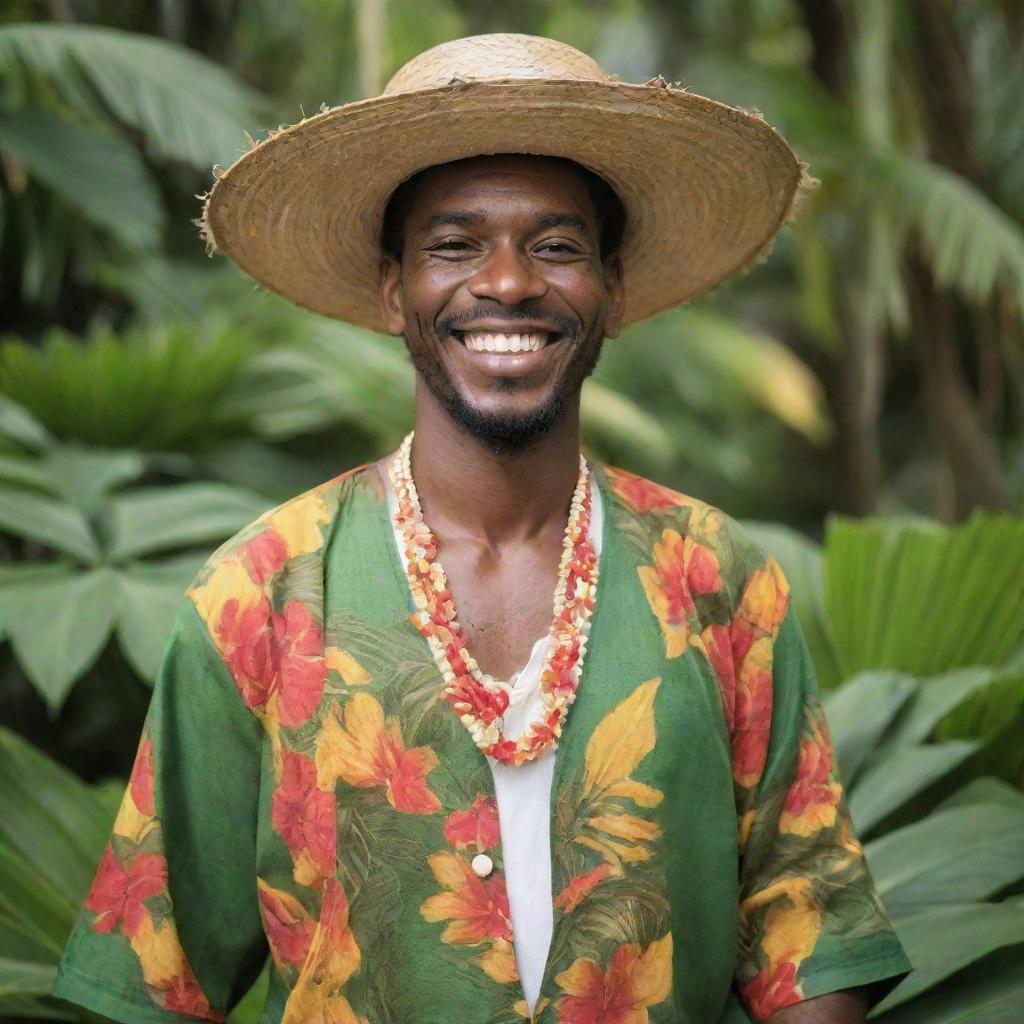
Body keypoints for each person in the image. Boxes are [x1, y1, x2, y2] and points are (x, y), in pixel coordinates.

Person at [53, 33, 910, 1024]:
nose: (506, 283)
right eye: (454, 245)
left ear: (613, 290)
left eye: (555, 246)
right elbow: (154, 968)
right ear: (392, 290)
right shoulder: (262, 590)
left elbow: (807, 934)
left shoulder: (716, 577)